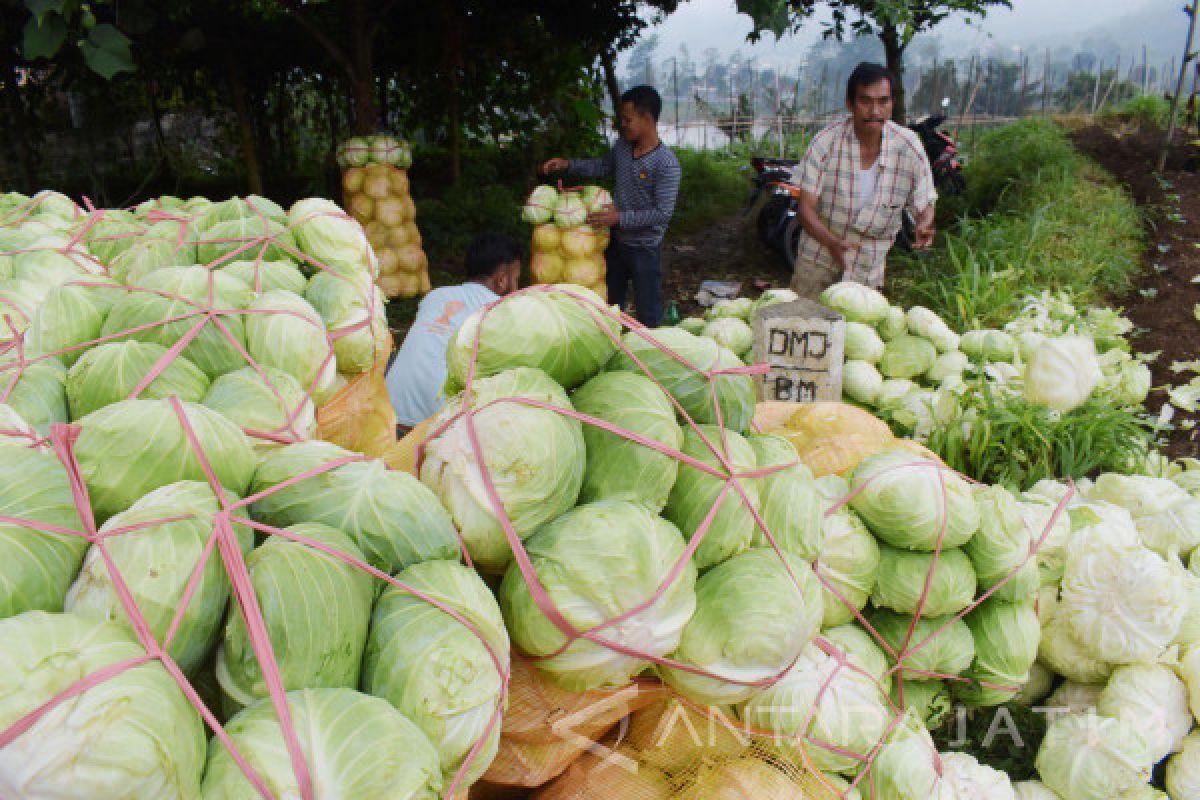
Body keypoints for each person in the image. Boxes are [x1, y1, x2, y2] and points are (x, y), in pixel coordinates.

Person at [792, 62, 938, 296]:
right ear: (850, 104)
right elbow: (805, 210)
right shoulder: (826, 143)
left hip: (868, 266)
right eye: (865, 101)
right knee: (808, 324)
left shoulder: (908, 146)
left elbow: (925, 200)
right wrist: (832, 243)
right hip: (819, 258)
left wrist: (923, 223)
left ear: (892, 104)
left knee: (858, 328)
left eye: (883, 101)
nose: (875, 111)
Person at [542, 85, 682, 327]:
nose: (622, 124)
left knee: (648, 313)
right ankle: (611, 348)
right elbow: (602, 167)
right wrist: (568, 165)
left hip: (645, 249)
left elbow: (662, 213)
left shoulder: (666, 164)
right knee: (609, 305)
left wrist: (619, 218)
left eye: (627, 119)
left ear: (647, 118)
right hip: (616, 242)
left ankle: (650, 353)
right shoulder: (623, 148)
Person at [385, 233, 521, 435]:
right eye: (517, 279)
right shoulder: (500, 310)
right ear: (502, 280)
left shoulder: (436, 295)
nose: (517, 287)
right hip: (435, 427)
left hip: (386, 413)